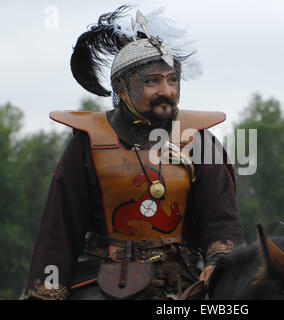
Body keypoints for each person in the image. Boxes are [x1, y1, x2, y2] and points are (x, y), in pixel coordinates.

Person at [23, 5, 243, 300]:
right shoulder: (87, 142)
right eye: (152, 81)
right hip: (99, 280)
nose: (166, 90)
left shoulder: (198, 138)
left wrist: (220, 262)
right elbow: (59, 228)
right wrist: (46, 292)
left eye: (172, 79)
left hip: (181, 279)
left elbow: (222, 215)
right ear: (122, 88)